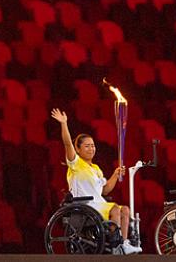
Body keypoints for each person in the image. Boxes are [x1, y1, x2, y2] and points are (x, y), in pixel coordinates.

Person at [50, 108, 141, 254]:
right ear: (78, 149)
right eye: (87, 146)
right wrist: (64, 124)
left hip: (98, 204)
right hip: (85, 205)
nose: (91, 148)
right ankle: (115, 243)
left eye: (93, 145)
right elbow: (67, 143)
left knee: (125, 210)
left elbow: (104, 190)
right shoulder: (75, 164)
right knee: (116, 209)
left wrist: (115, 175)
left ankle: (123, 244)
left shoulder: (96, 168)